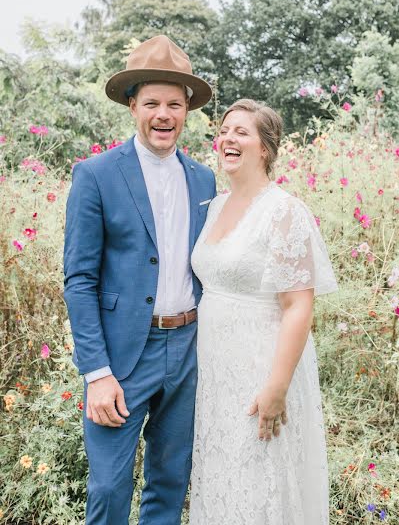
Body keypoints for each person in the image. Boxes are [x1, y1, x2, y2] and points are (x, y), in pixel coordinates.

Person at [63, 35, 216, 525]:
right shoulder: (96, 174)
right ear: (133, 105)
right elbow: (80, 279)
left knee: (169, 484)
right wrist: (97, 374)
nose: (163, 114)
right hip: (122, 355)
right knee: (109, 487)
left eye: (174, 103)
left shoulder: (204, 179)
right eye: (151, 102)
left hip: (188, 348)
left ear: (187, 108)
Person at [189, 99, 338, 525]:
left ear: (265, 148)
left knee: (259, 481)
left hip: (261, 368)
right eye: (224, 130)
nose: (227, 139)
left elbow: (297, 306)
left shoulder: (284, 211)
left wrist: (276, 387)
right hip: (216, 371)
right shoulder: (215, 206)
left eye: (241, 132)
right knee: (222, 476)